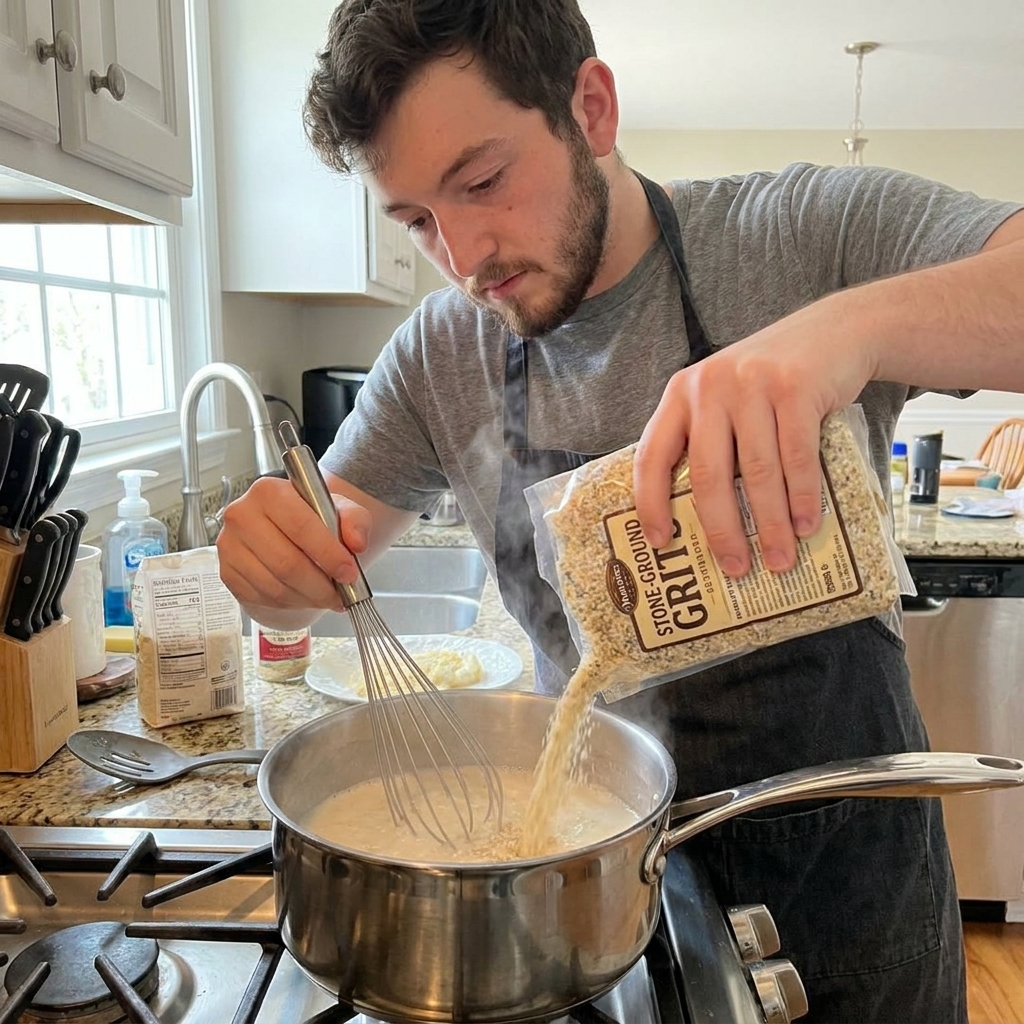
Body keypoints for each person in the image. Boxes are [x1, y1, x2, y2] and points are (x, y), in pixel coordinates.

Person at [216, 2, 1024, 1020]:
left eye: (481, 181)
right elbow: (321, 551)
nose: (463, 255)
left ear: (589, 108)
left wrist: (845, 332)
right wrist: (272, 564)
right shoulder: (439, 353)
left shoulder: (802, 235)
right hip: (583, 898)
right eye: (417, 220)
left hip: (847, 883)